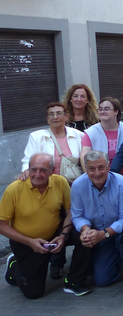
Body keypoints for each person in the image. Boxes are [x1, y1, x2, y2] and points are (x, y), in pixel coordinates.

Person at [1, 153, 90, 298]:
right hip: (26, 242)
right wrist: (30, 242)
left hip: (54, 234)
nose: (37, 174)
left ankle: (75, 281)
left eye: (43, 170)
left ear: (51, 170)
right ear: (28, 170)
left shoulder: (60, 182)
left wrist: (63, 236)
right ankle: (14, 266)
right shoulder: (14, 189)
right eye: (33, 169)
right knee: (33, 293)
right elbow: (2, 225)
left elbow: (70, 212)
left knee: (84, 235)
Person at [19, 103, 83, 280]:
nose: (55, 117)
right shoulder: (37, 136)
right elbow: (28, 159)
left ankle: (81, 263)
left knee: (74, 222)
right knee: (55, 222)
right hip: (49, 189)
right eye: (51, 114)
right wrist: (26, 170)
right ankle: (56, 262)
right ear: (47, 118)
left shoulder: (78, 135)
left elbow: (84, 160)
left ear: (67, 116)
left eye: (59, 113)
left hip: (74, 188)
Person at [71, 151, 123, 292]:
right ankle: (110, 260)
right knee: (103, 280)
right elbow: (77, 216)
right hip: (96, 235)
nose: (97, 173)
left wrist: (104, 234)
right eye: (92, 169)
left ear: (108, 166)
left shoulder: (122, 183)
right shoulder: (77, 185)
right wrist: (85, 230)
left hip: (118, 233)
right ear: (86, 168)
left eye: (101, 167)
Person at [80, 97, 123, 172]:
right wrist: (89, 175)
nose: (102, 111)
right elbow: (84, 156)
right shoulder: (90, 132)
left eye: (107, 109)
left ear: (116, 111)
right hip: (98, 176)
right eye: (100, 109)